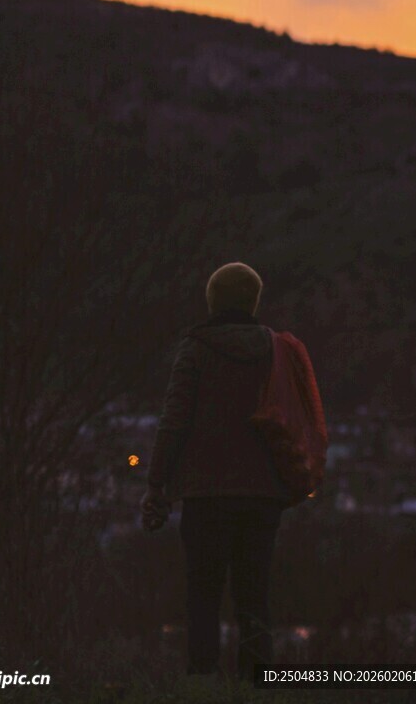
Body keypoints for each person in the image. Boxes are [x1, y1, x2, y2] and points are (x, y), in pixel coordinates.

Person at [140, 262, 291, 682]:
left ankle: (202, 681)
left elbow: (174, 421)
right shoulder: (276, 349)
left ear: (213, 300)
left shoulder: (196, 349)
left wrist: (157, 484)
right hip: (263, 494)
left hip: (206, 493)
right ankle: (258, 683)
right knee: (254, 597)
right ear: (253, 301)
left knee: (203, 596)